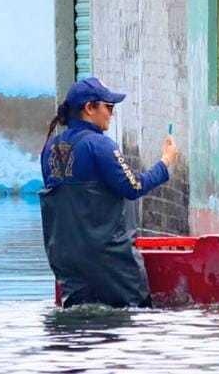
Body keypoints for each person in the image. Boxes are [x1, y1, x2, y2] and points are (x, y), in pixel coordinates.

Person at [40, 77, 179, 308]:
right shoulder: (100, 145)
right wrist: (165, 163)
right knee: (135, 315)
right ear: (89, 108)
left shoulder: (49, 149)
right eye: (109, 107)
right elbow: (133, 187)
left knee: (77, 325)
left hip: (65, 259)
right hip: (109, 258)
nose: (111, 114)